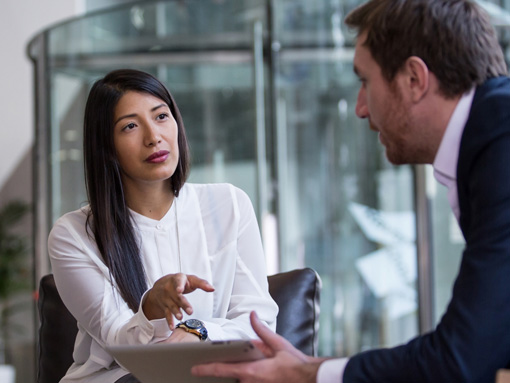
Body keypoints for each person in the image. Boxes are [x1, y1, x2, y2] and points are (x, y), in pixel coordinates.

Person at [191, 0, 510, 382]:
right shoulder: (489, 137)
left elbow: (461, 358)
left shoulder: (501, 145)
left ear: (414, 79)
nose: (360, 108)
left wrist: (311, 374)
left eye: (364, 80)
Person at [47, 68, 278, 383]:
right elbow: (118, 341)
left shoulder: (229, 205)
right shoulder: (74, 234)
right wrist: (151, 312)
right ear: (106, 146)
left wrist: (197, 331)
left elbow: (258, 322)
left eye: (161, 116)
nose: (153, 136)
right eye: (130, 126)